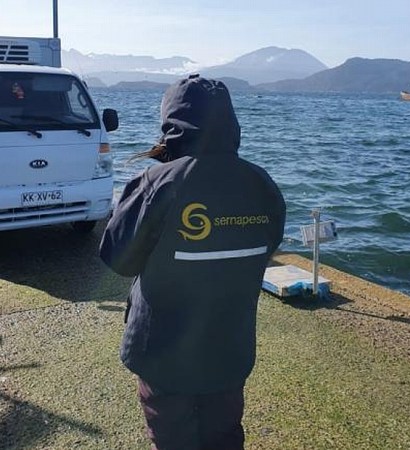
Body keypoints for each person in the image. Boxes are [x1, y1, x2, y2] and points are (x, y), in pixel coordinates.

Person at [99, 74, 286, 450]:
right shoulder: (261, 184)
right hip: (229, 349)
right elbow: (267, 246)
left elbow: (119, 258)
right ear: (231, 123)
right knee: (225, 435)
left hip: (162, 354)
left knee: (172, 439)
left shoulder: (156, 182)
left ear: (171, 125)